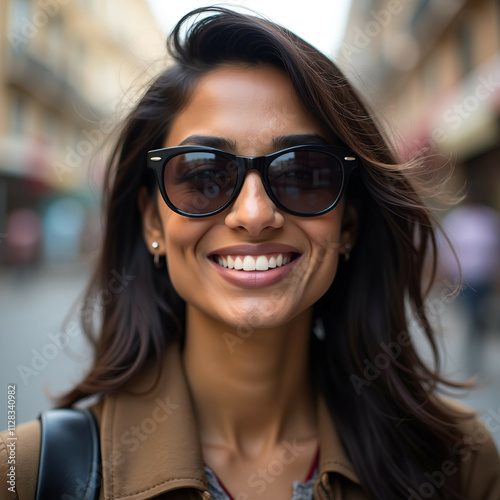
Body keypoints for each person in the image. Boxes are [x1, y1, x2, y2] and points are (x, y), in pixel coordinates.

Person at [1, 7, 499, 500]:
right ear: (153, 220)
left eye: (303, 174)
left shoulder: (458, 462)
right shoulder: (26, 474)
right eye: (203, 175)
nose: (255, 214)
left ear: (348, 222)